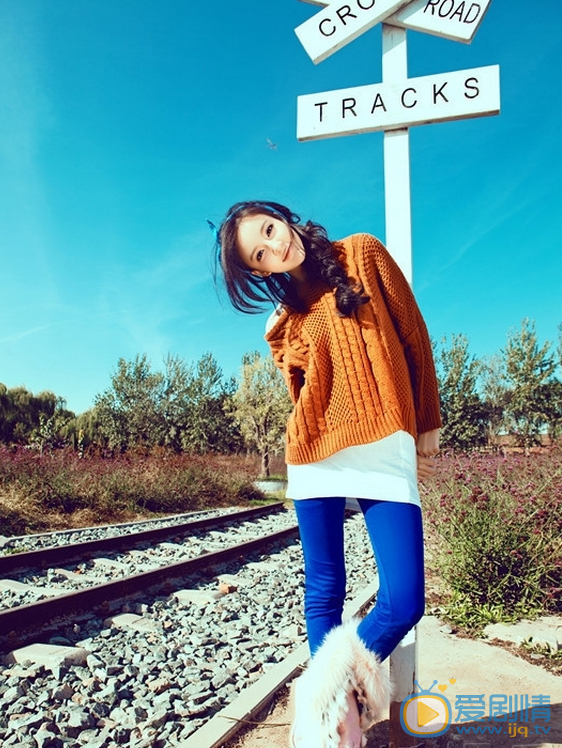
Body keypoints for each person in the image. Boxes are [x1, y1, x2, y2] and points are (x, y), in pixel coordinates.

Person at [211, 200, 441, 748]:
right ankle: (341, 726)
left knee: (405, 598)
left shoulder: (362, 252)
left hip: (386, 444)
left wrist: (427, 415)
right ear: (261, 272)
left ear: (283, 217)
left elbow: (414, 336)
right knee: (325, 590)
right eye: (260, 255)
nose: (275, 247)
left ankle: (321, 698)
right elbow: (301, 394)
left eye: (270, 231)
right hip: (316, 454)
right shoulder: (285, 318)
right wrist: (279, 335)